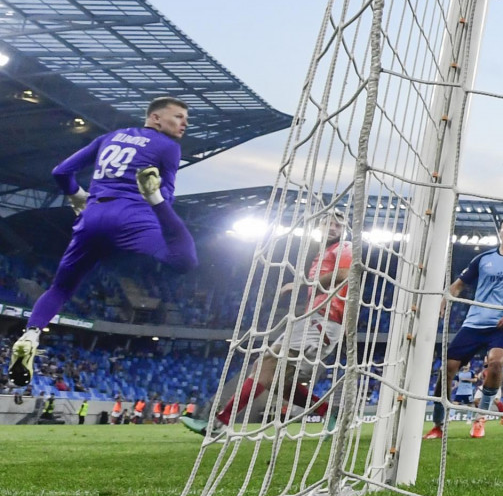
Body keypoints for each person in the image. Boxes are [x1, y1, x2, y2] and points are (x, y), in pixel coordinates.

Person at [7, 97, 198, 387]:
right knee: (184, 260)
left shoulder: (108, 137)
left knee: (61, 287)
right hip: (133, 217)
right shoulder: (169, 147)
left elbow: (60, 172)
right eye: (179, 117)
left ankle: (31, 334)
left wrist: (76, 195)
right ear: (156, 119)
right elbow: (169, 196)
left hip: (92, 216)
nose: (185, 123)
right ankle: (151, 196)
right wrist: (157, 202)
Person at [183, 213, 352, 436]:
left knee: (267, 366)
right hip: (312, 319)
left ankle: (219, 423)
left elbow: (344, 274)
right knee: (273, 378)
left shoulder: (345, 247)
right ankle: (328, 413)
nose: (332, 228)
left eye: (337, 225)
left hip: (325, 320)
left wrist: (301, 283)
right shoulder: (321, 255)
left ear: (344, 230)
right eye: (327, 224)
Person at [424, 216, 503, 440]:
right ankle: (439, 424)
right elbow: (457, 286)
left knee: (496, 362)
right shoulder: (483, 258)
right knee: (447, 369)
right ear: (500, 230)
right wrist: (444, 300)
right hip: (475, 322)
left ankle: (480, 418)